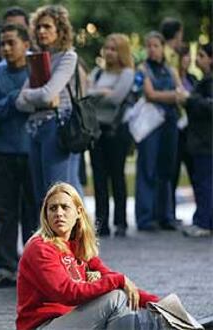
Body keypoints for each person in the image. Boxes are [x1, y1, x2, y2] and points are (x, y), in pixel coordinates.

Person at [16, 182, 201, 330]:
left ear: (79, 213)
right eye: (52, 208)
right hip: (43, 326)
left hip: (73, 322)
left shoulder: (79, 248)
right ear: (45, 214)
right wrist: (118, 281)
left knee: (140, 311)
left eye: (65, 207)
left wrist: (161, 305)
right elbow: (67, 293)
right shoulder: (40, 247)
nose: (59, 213)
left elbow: (115, 280)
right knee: (116, 298)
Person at [0, 23, 37, 288]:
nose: (6, 48)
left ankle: (33, 267)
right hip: (2, 152)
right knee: (4, 213)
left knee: (33, 213)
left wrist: (18, 102)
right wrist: (14, 99)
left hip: (32, 152)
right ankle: (6, 266)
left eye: (11, 42)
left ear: (26, 44)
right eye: (2, 43)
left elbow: (42, 103)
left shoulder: (37, 71)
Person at [16, 5, 83, 208]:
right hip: (36, 129)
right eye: (38, 27)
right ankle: (51, 241)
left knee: (59, 195)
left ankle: (74, 240)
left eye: (47, 27)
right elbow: (20, 103)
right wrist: (35, 97)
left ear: (60, 30)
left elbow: (47, 95)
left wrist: (32, 97)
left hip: (57, 127)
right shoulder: (37, 59)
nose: (41, 31)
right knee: (43, 197)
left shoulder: (67, 57)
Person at [135, 31, 184, 232]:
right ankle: (145, 217)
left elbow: (181, 94)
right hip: (151, 125)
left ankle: (166, 216)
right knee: (148, 169)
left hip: (170, 124)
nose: (152, 49)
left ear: (163, 47)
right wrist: (172, 95)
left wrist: (171, 95)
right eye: (149, 46)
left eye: (156, 45)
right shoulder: (142, 69)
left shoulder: (171, 70)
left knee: (167, 170)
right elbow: (150, 95)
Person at [87, 34, 134, 237]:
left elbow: (116, 98)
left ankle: (121, 222)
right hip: (96, 131)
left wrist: (100, 93)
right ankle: (101, 222)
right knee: (99, 178)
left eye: (114, 48)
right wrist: (102, 92)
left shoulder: (127, 73)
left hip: (116, 131)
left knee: (117, 176)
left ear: (121, 51)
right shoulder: (97, 72)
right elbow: (86, 95)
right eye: (107, 48)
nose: (109, 52)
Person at [179, 43, 213, 237]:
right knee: (202, 181)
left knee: (204, 182)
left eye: (201, 55)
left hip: (206, 142)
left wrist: (189, 99)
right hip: (201, 141)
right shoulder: (204, 81)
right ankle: (203, 219)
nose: (197, 59)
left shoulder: (209, 83)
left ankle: (203, 222)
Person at [173, 44, 197, 215]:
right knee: (172, 173)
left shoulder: (193, 79)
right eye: (184, 56)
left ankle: (202, 212)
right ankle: (170, 212)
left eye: (189, 55)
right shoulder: (171, 79)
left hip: (191, 133)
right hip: (175, 131)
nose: (187, 59)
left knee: (195, 173)